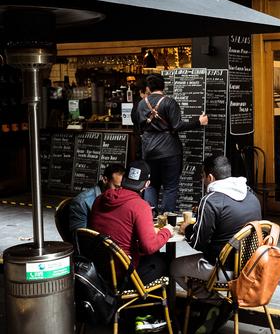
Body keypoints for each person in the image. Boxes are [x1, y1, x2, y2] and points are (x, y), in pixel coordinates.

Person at [170, 156, 261, 293]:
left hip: (223, 270)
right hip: (251, 266)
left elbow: (198, 243)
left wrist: (186, 228)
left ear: (210, 177)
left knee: (173, 267)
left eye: (203, 176)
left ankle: (214, 303)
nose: (202, 180)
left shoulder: (210, 201)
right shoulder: (251, 194)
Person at [132, 73, 209, 215]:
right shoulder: (169, 102)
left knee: (151, 185)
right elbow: (177, 126)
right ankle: (167, 221)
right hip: (169, 150)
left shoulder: (141, 104)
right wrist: (199, 122)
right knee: (170, 187)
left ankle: (149, 217)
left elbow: (136, 124)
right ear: (164, 86)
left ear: (148, 87)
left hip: (148, 150)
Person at [89, 160, 173, 285]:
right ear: (147, 184)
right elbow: (149, 247)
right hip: (123, 274)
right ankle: (157, 304)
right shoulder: (140, 206)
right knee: (167, 261)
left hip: (98, 269)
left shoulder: (100, 198)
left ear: (123, 179)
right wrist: (167, 231)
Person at [68, 163, 125, 234]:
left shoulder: (121, 196)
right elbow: (78, 236)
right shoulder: (82, 202)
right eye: (116, 187)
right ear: (105, 180)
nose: (120, 191)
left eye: (122, 188)